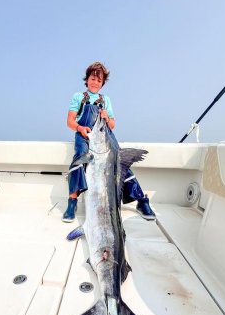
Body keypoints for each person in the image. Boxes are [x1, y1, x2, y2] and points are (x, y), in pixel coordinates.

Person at [62, 61, 156, 222]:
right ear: (87, 79)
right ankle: (72, 202)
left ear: (102, 83)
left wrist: (107, 117)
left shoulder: (105, 100)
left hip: (104, 136)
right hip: (84, 134)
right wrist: (80, 128)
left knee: (120, 162)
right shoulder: (78, 96)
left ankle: (141, 201)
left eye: (99, 80)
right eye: (93, 78)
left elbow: (112, 125)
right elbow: (70, 121)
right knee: (79, 158)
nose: (95, 82)